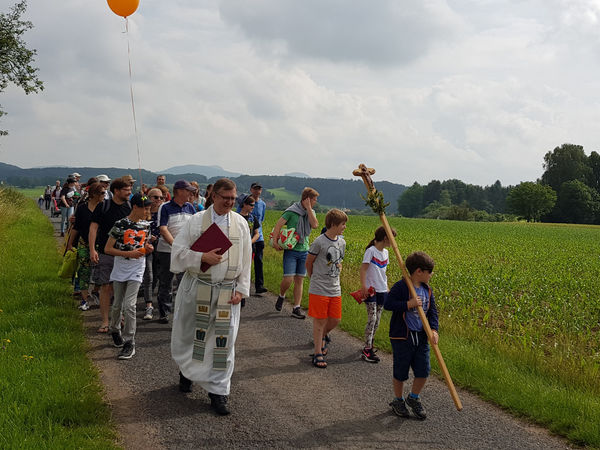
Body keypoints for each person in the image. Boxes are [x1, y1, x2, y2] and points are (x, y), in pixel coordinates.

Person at [170, 178, 252, 416]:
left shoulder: (241, 223)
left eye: (233, 198)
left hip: (227, 291)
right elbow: (177, 254)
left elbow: (246, 259)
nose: (229, 202)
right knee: (192, 336)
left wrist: (242, 289)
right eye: (225, 198)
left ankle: (219, 392)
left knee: (223, 344)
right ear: (213, 196)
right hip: (199, 288)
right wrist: (201, 257)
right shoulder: (195, 221)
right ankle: (187, 372)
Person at [384, 251, 438, 420]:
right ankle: (398, 400)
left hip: (421, 338)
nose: (432, 275)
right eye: (429, 271)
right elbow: (388, 304)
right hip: (402, 337)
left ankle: (413, 397)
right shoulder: (402, 287)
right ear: (419, 272)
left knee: (424, 370)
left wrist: (434, 330)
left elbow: (433, 313)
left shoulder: (427, 290)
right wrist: (409, 304)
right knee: (401, 371)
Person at [104, 193, 154, 360]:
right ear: (135, 207)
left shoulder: (147, 225)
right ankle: (114, 328)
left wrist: (148, 248)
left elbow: (144, 245)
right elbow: (108, 249)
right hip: (120, 267)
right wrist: (129, 253)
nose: (148, 211)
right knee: (117, 304)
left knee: (129, 305)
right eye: (145, 208)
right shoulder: (120, 224)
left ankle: (129, 342)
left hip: (137, 268)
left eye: (149, 208)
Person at [89, 178, 133, 333]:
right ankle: (105, 321)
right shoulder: (103, 206)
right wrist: (92, 249)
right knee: (106, 287)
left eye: (130, 189)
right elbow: (93, 228)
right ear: (116, 191)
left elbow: (143, 203)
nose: (129, 193)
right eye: (126, 190)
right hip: (105, 252)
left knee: (121, 287)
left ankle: (118, 316)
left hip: (125, 253)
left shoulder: (130, 206)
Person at [305, 209, 347, 368]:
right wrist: (313, 277)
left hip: (335, 287)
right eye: (343, 224)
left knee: (335, 319)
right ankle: (317, 353)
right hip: (319, 287)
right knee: (320, 320)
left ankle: (321, 338)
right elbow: (309, 262)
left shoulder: (342, 242)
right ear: (334, 224)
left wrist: (339, 270)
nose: (344, 227)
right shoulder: (319, 242)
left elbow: (339, 261)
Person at [271, 187, 319, 319]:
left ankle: (296, 308)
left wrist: (309, 209)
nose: (315, 202)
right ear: (307, 199)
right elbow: (278, 225)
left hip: (304, 250)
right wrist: (275, 242)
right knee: (288, 279)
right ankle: (281, 295)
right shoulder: (291, 211)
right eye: (314, 200)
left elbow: (315, 225)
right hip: (291, 250)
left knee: (299, 280)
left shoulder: (311, 212)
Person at [155, 180, 196, 323]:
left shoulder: (190, 208)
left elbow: (194, 228)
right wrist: (176, 245)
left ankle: (182, 311)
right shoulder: (165, 207)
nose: (191, 193)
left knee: (184, 282)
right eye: (188, 190)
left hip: (186, 251)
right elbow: (163, 229)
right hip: (167, 251)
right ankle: (164, 312)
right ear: (178, 191)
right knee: (166, 282)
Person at [360, 226, 396, 363]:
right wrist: (363, 286)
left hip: (382, 290)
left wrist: (387, 288)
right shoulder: (371, 251)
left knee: (378, 320)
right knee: (372, 319)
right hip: (371, 291)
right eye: (392, 239)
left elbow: (383, 272)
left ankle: (370, 342)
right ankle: (367, 349)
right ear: (386, 238)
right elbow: (363, 269)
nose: (393, 242)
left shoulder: (386, 253)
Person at [67, 182, 106, 311]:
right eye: (102, 193)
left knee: (102, 272)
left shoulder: (105, 207)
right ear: (93, 194)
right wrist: (70, 244)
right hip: (84, 243)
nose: (104, 195)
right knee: (84, 271)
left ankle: (95, 290)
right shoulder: (83, 208)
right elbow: (76, 227)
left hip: (101, 245)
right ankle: (84, 299)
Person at [141, 187, 164, 320]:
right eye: (156, 197)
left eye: (161, 197)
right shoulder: (144, 213)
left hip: (161, 247)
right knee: (148, 274)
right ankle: (148, 304)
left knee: (158, 275)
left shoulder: (164, 212)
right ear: (149, 198)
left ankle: (156, 301)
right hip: (148, 246)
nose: (159, 200)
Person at [248, 183, 267, 294]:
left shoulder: (263, 204)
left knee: (259, 261)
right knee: (247, 261)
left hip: (259, 236)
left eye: (259, 189)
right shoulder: (246, 201)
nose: (257, 191)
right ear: (251, 190)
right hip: (248, 237)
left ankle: (259, 286)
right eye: (255, 189)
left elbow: (262, 219)